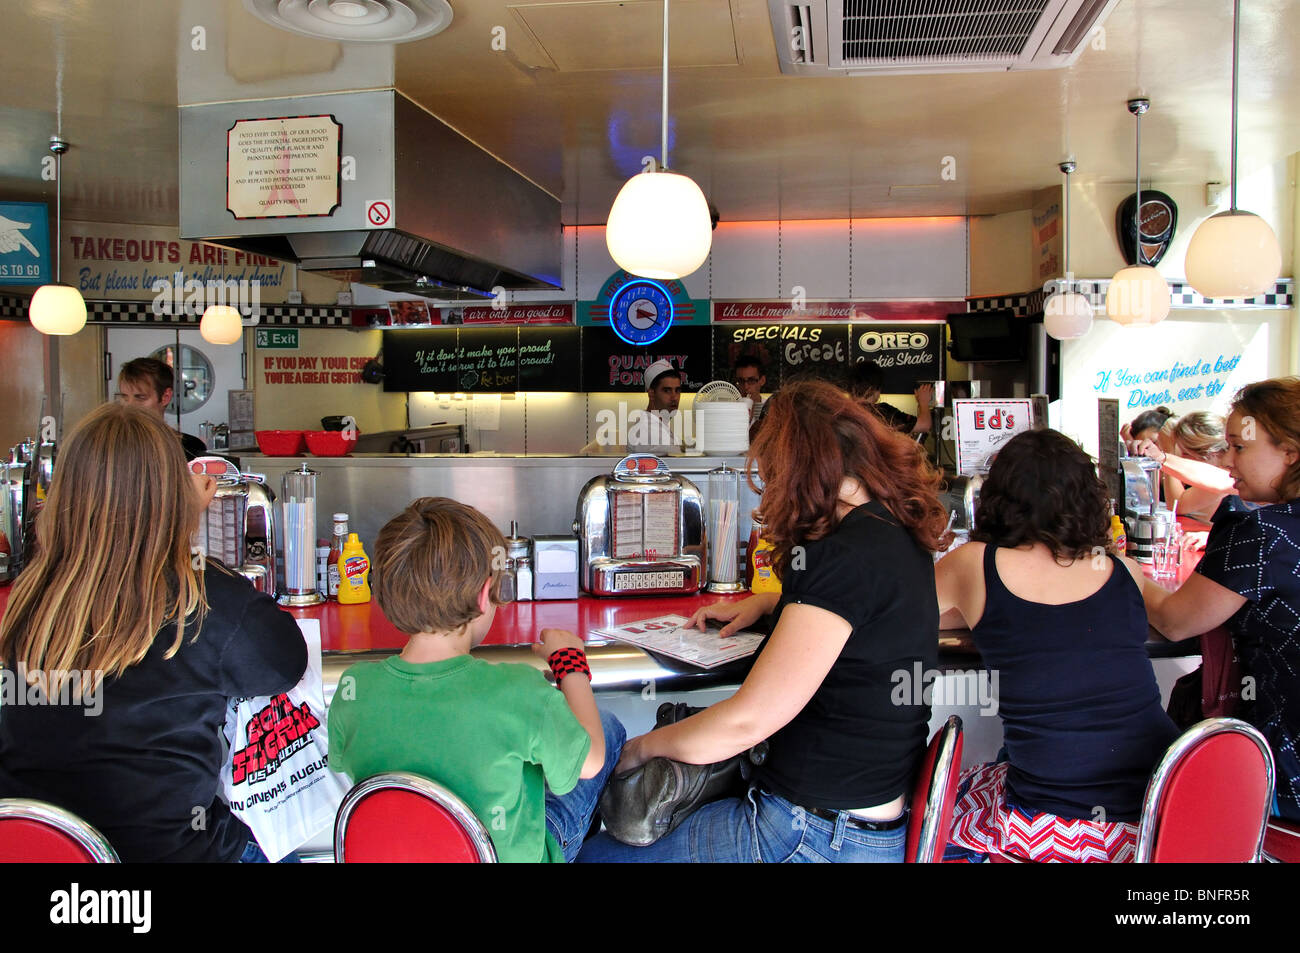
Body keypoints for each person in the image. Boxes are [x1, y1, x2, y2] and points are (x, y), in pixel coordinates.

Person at [577, 380, 947, 862]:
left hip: (811, 835)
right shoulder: (889, 530)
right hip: (859, 822)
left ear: (797, 468)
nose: (770, 489)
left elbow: (745, 722)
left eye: (771, 474)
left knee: (596, 857)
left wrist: (642, 749)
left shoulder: (844, 558)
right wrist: (770, 603)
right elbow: (860, 615)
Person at [0, 403, 308, 862]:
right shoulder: (204, 598)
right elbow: (285, 664)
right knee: (290, 840)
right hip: (172, 853)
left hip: (41, 852)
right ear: (170, 495)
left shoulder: (31, 597)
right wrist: (190, 529)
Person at [327, 497, 626, 862]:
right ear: (485, 596)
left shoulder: (353, 690)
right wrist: (570, 664)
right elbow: (591, 761)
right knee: (607, 731)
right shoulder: (519, 691)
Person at [935, 429, 1179, 862]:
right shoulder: (1123, 570)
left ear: (996, 497)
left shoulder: (974, 563)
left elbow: (901, 615)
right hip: (1160, 808)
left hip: (1052, 819)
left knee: (941, 813)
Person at [1144, 378, 1300, 823]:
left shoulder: (1264, 532)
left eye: (1239, 447)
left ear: (1289, 452)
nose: (1229, 461)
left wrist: (1129, 574)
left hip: (1275, 772)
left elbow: (1177, 621)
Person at [1127, 411, 1233, 522]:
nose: (1183, 459)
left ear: (1210, 452)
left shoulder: (1225, 475)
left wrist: (1168, 452)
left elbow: (1176, 505)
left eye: (1186, 453)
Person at [580, 358, 685, 454]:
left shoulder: (655, 426)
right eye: (667, 390)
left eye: (677, 390)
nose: (674, 397)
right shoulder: (649, 432)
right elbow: (677, 468)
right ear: (651, 394)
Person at [116, 357, 208, 460]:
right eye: (124, 397)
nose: (129, 405)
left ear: (166, 397)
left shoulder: (190, 448)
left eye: (140, 398)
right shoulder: (110, 443)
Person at [846, 359, 934, 437]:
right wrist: (923, 402)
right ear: (876, 388)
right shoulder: (882, 412)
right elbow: (924, 425)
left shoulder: (841, 412)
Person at [733, 355, 767, 424]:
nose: (746, 386)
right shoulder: (731, 409)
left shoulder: (769, 409)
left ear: (762, 381)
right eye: (741, 381)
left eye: (751, 380)